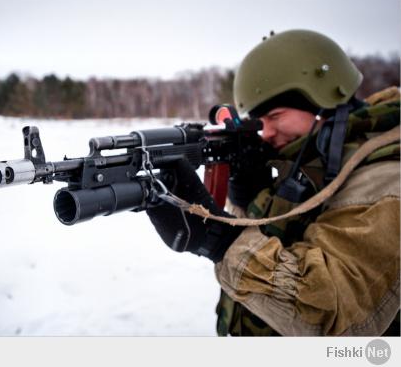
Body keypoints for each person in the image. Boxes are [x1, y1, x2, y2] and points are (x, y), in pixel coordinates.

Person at [146, 29, 400, 336]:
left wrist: (220, 241)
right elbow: (285, 252)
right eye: (259, 122)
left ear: (323, 102)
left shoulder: (385, 176)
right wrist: (248, 199)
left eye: (276, 116)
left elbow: (336, 315)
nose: (266, 133)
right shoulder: (313, 162)